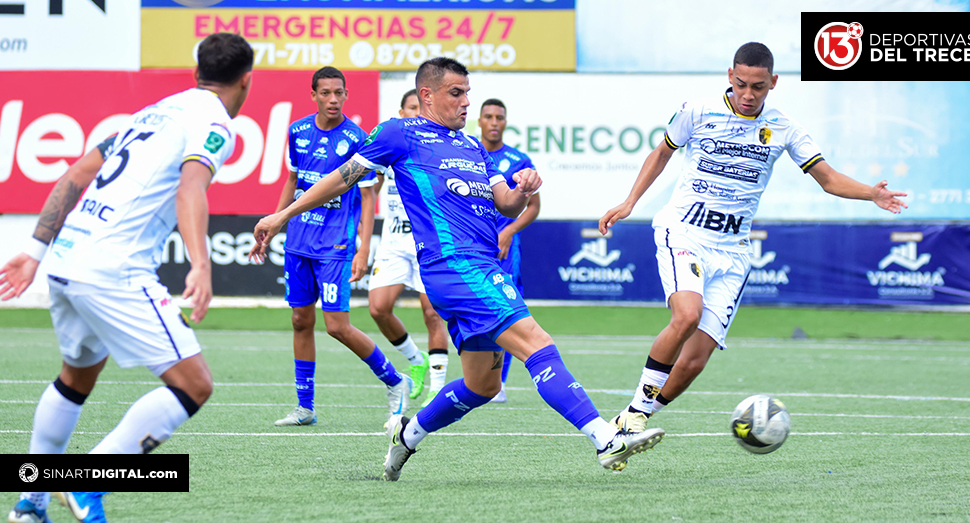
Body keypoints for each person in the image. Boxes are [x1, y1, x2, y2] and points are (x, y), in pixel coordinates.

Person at [250, 57, 666, 481]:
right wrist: (282, 215)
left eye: (468, 93)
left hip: (479, 265)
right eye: (456, 93)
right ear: (427, 95)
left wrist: (523, 188)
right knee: (536, 342)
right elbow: (343, 177)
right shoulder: (400, 132)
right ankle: (606, 439)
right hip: (456, 266)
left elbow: (506, 204)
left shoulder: (472, 147)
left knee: (482, 385)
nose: (466, 102)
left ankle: (407, 435)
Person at [0, 32, 255, 523]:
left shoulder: (151, 113)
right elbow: (191, 188)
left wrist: (34, 252)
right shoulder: (215, 122)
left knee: (75, 379)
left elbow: (75, 174)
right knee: (194, 384)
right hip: (112, 267)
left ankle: (30, 504)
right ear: (246, 81)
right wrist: (201, 263)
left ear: (196, 73)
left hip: (67, 258)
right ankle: (87, 483)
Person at [599, 42, 908, 434]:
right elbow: (661, 154)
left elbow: (828, 179)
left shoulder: (784, 128)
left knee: (694, 361)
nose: (748, 94)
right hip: (685, 233)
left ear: (773, 82)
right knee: (687, 315)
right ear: (730, 76)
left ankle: (633, 420)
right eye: (741, 84)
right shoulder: (697, 111)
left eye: (758, 87)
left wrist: (871, 193)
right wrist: (630, 202)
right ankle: (635, 412)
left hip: (734, 252)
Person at [271, 67, 412, 427]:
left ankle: (395, 380)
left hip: (334, 244)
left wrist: (363, 250)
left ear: (346, 95)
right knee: (300, 320)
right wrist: (276, 221)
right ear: (314, 95)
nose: (333, 99)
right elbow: (292, 179)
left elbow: (367, 197)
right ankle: (305, 407)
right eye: (326, 93)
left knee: (336, 326)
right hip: (299, 240)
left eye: (339, 93)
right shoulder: (297, 131)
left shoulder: (357, 138)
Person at [365, 89, 449, 410]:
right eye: (411, 108)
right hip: (393, 243)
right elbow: (367, 191)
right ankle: (416, 359)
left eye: (421, 108)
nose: (416, 113)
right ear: (401, 114)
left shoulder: (435, 150)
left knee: (432, 313)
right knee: (378, 309)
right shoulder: (389, 148)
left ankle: (437, 389)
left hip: (426, 244)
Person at [477, 98, 541, 404]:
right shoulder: (467, 153)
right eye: (488, 116)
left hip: (503, 251)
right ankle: (479, 376)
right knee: (476, 309)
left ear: (505, 122)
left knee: (505, 310)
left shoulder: (519, 160)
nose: (494, 122)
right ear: (479, 120)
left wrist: (509, 231)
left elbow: (534, 207)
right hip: (472, 245)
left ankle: (499, 383)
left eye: (499, 117)